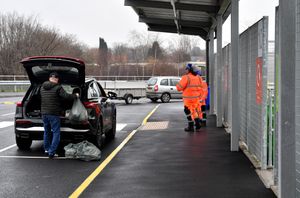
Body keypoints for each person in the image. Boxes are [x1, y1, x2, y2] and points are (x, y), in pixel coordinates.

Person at [40, 72, 78, 159]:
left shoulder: (42, 87)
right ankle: (52, 152)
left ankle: (47, 149)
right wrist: (75, 95)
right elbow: (66, 96)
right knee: (56, 132)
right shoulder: (58, 87)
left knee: (47, 131)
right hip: (53, 113)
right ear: (56, 79)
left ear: (49, 78)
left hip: (44, 113)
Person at [176, 63, 203, 132]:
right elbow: (201, 87)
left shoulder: (186, 77)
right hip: (196, 98)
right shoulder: (198, 77)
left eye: (187, 69)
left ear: (190, 70)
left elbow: (179, 88)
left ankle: (191, 126)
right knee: (194, 111)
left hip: (188, 98)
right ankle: (197, 123)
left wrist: (178, 84)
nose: (186, 70)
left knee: (187, 111)